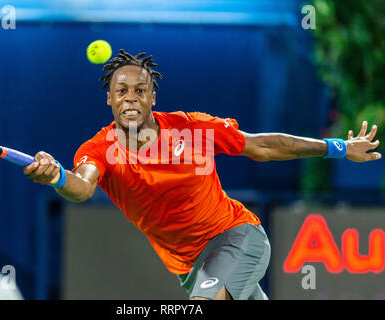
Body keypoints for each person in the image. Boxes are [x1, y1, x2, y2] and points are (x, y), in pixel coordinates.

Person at [23, 49, 381, 300]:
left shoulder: (192, 128)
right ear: (110, 100)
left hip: (236, 237)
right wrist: (55, 176)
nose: (130, 98)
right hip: (189, 266)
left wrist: (336, 147)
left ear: (152, 98)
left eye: (139, 91)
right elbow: (82, 187)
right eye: (121, 91)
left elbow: (266, 146)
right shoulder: (98, 149)